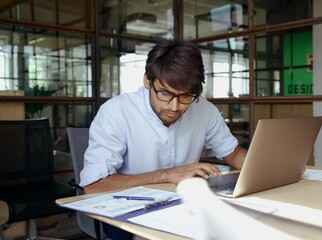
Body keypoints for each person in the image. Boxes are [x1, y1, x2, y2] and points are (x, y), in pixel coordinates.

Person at [79, 38, 247, 239]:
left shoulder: (204, 109)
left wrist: (267, 170)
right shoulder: (116, 113)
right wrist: (166, 175)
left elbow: (234, 153)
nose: (174, 107)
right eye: (165, 93)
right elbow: (94, 185)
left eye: (185, 96)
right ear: (147, 81)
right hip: (130, 214)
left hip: (187, 207)